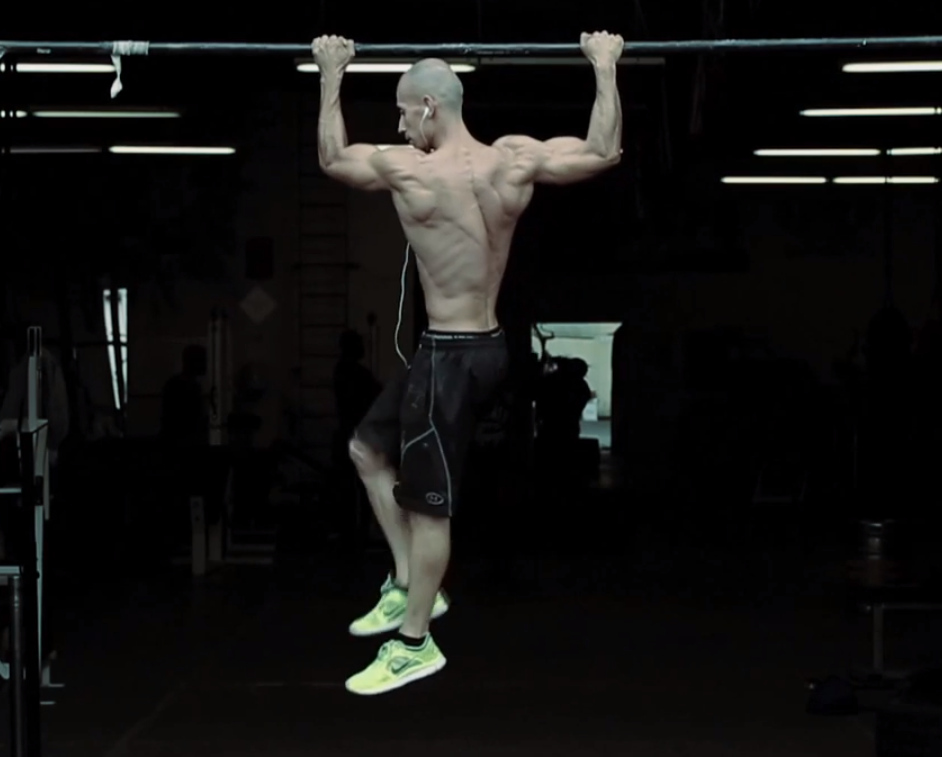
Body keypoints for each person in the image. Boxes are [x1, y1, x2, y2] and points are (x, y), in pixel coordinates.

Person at [312, 30, 624, 695]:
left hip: (454, 356)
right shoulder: (512, 159)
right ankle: (407, 584)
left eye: (404, 112)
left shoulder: (409, 168)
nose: (400, 125)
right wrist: (604, 67)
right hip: (466, 349)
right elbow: (601, 150)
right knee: (367, 449)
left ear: (429, 106)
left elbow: (333, 158)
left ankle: (415, 641)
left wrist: (332, 70)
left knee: (429, 508)